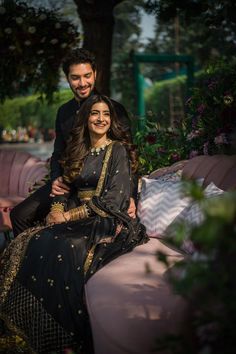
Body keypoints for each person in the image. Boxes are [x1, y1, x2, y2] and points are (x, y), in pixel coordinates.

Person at [0, 95, 148, 353]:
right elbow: (65, 189)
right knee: (34, 238)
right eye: (95, 113)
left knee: (65, 245)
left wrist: (66, 217)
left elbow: (113, 199)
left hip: (105, 218)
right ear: (86, 118)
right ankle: (31, 322)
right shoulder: (80, 150)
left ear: (111, 120)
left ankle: (66, 338)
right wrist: (56, 210)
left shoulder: (117, 150)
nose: (101, 119)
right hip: (77, 211)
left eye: (106, 114)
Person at [10, 48, 137, 237]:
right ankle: (33, 260)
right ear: (68, 78)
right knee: (19, 215)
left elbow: (129, 157)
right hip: (68, 182)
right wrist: (55, 180)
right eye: (75, 77)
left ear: (95, 74)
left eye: (87, 76)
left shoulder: (113, 110)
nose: (82, 83)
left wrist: (131, 196)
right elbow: (57, 154)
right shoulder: (64, 112)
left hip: (98, 185)